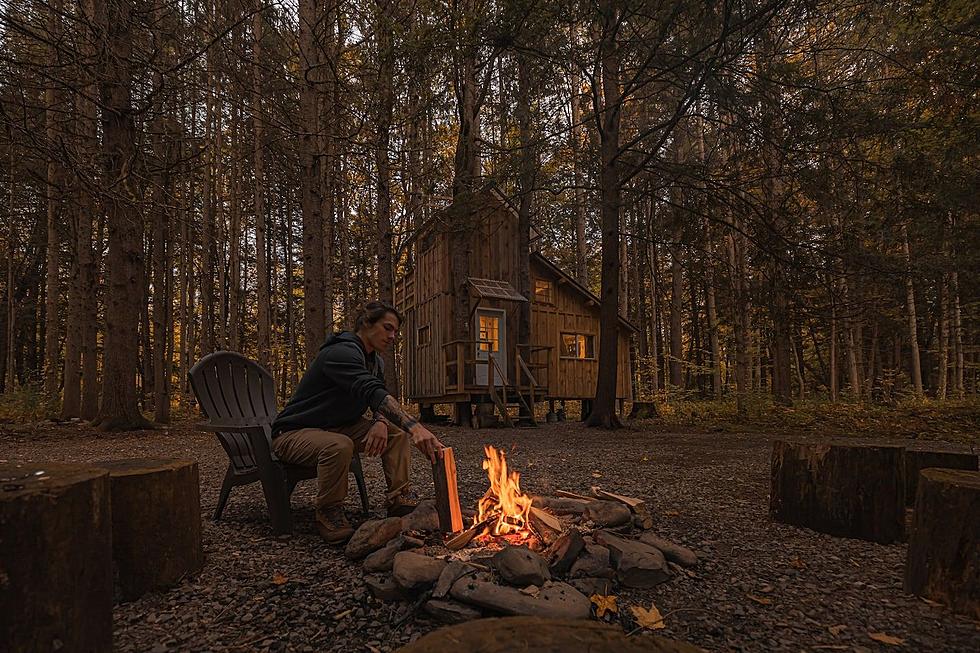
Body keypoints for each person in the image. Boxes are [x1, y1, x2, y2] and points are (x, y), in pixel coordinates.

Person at [271, 300, 445, 544]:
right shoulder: (341, 352)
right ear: (366, 324)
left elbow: (377, 398)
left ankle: (398, 498)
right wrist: (415, 426)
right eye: (388, 328)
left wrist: (381, 421)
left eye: (395, 331)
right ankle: (328, 511)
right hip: (294, 432)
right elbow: (370, 390)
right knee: (339, 445)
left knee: (394, 433)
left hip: (338, 427)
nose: (393, 336)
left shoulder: (376, 361)